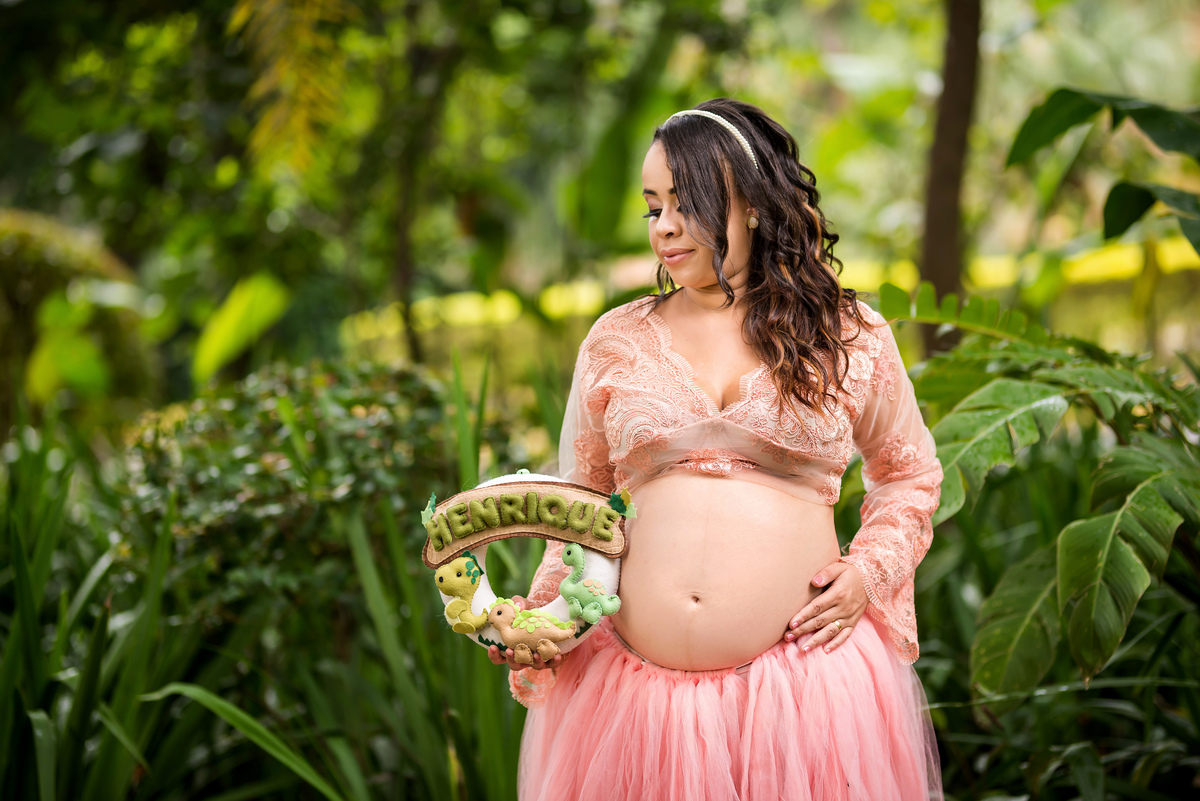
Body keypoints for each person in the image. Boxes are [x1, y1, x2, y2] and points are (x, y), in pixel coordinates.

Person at [488, 97, 943, 801]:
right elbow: (577, 509)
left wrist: (868, 572)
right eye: (652, 207)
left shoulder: (848, 336)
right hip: (633, 710)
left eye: (685, 203)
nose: (663, 227)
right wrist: (545, 621)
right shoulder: (615, 340)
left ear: (752, 206)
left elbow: (910, 474)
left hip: (805, 696)